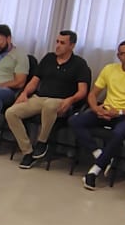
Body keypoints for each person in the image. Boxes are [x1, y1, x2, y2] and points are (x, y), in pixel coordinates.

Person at [69, 40, 125, 190]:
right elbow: (92, 94)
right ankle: (99, 154)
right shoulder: (109, 69)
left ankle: (94, 171)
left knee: (118, 134)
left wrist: (120, 112)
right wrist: (96, 109)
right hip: (105, 111)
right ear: (118, 56)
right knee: (74, 120)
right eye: (123, 54)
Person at [5, 30, 90, 168]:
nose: (58, 45)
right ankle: (27, 151)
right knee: (11, 113)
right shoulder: (49, 58)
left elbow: (82, 91)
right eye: (57, 42)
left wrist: (70, 100)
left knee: (49, 105)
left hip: (61, 101)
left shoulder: (79, 64)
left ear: (72, 46)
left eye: (62, 43)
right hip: (40, 98)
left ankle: (42, 142)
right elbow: (34, 81)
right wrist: (24, 93)